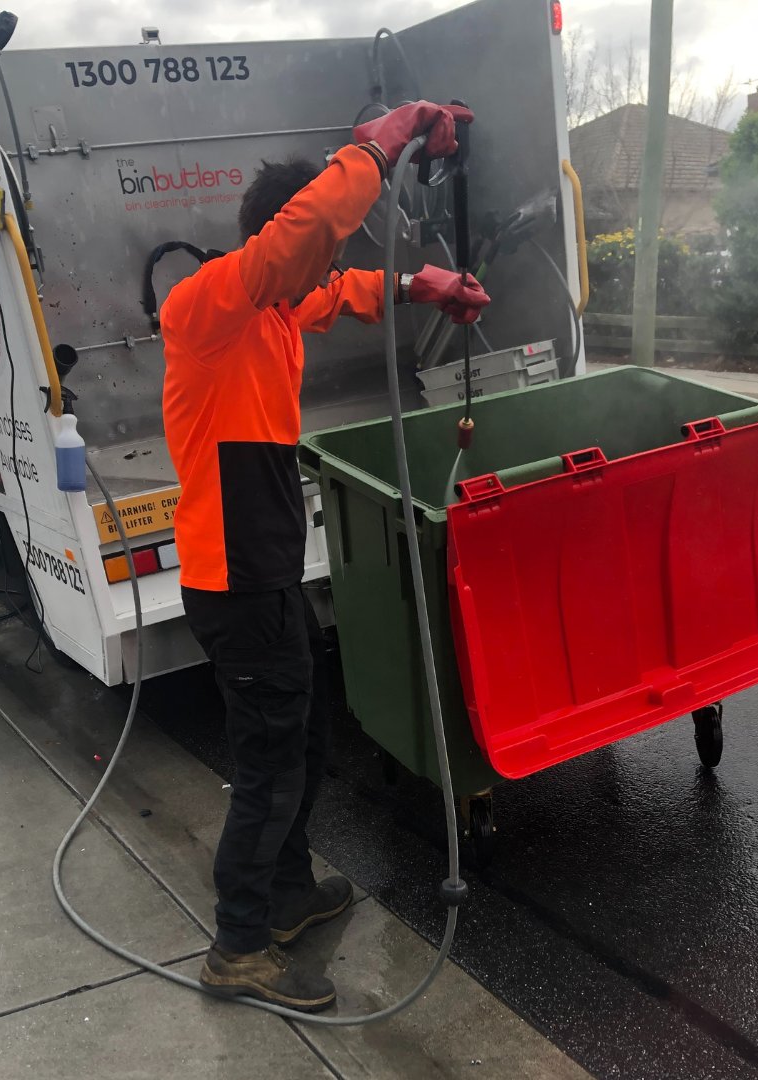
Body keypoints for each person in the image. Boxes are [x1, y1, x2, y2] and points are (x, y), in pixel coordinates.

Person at [161, 101, 490, 1012]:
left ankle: (287, 895)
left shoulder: (270, 309)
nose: (306, 263)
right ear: (271, 239)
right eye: (295, 242)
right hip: (232, 581)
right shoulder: (207, 305)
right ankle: (237, 946)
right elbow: (303, 246)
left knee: (301, 735)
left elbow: (339, 286)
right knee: (268, 760)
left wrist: (428, 286)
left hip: (262, 572)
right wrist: (378, 147)